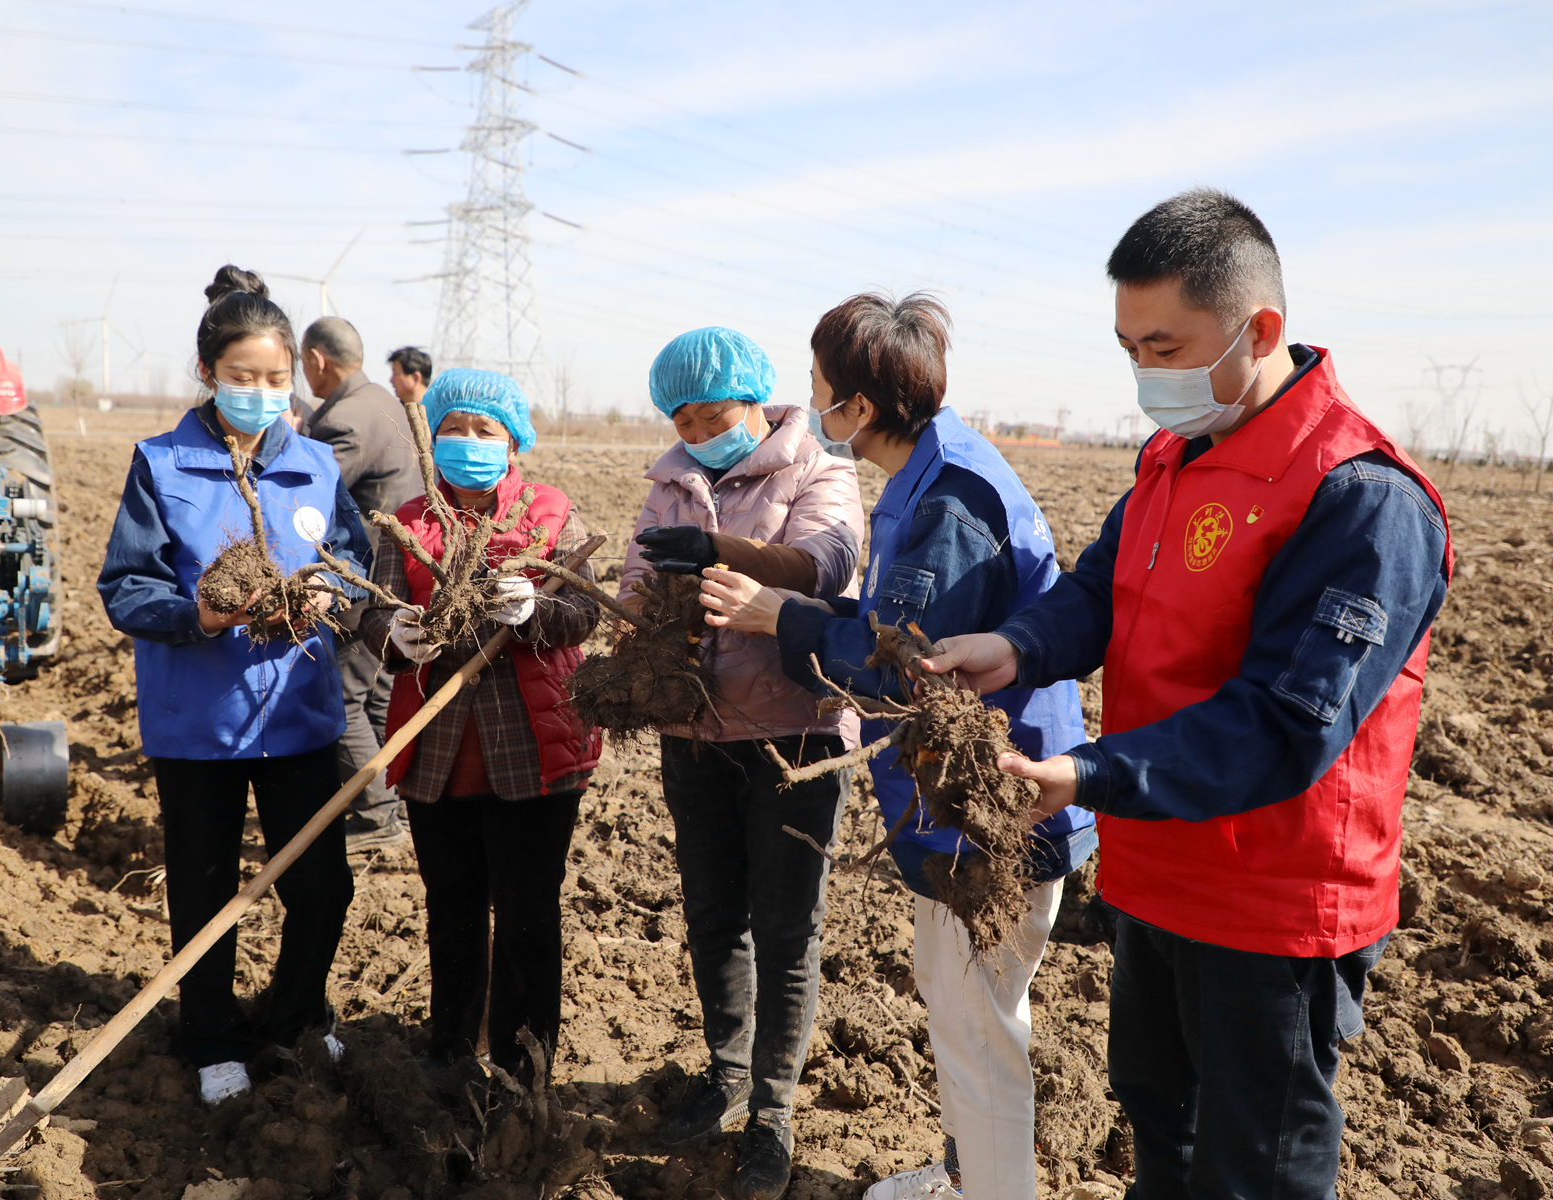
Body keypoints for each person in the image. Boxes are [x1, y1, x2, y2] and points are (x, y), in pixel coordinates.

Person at [920, 190, 1453, 1200]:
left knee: (1254, 1169)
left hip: (1271, 902)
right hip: (1154, 873)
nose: (1145, 379)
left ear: (1259, 331)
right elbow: (1097, 593)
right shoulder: (1171, 458)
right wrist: (1015, 646)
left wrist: (1083, 773)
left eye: (1166, 348)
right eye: (1129, 349)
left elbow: (1287, 724)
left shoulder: (1359, 498)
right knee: (1159, 1124)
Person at [698, 294, 1095, 1200]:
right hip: (965, 809)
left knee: (977, 1028)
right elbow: (894, 626)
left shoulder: (950, 501)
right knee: (965, 1007)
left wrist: (781, 617)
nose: (812, 408)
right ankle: (967, 1176)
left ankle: (992, 1192)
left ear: (860, 409)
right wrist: (795, 612)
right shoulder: (934, 470)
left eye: (818, 393)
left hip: (990, 812)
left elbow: (906, 669)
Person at [97, 265, 370, 1106]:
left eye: (276, 379)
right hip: (198, 721)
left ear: (296, 377)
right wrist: (201, 617)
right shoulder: (163, 464)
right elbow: (126, 586)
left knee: (323, 887)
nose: (260, 392)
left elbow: (356, 560)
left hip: (298, 713)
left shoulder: (316, 468)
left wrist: (335, 588)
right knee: (206, 886)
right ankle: (211, 1036)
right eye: (242, 377)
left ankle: (289, 1018)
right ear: (210, 374)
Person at [621, 327, 863, 1200]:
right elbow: (636, 590)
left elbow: (825, 565)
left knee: (787, 927)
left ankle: (773, 1110)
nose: (697, 428)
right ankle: (726, 1076)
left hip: (790, 739)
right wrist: (649, 621)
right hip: (693, 733)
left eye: (714, 412)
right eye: (682, 417)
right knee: (714, 914)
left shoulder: (819, 471)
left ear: (755, 400)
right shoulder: (669, 484)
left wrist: (721, 554)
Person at [359, 369, 602, 1084]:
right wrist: (393, 634)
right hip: (437, 749)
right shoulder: (408, 521)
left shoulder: (551, 514)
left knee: (528, 915)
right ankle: (450, 1051)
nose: (467, 443)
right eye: (453, 429)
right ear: (431, 437)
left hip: (535, 749)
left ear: (512, 440)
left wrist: (536, 611)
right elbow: (374, 608)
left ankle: (524, 1066)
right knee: (452, 912)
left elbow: (584, 612)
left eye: (484, 431)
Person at [300, 317, 419, 853]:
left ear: (317, 360)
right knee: (377, 699)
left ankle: (376, 817)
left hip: (361, 583)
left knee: (342, 700)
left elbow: (307, 500)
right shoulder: (386, 402)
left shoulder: (344, 419)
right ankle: (394, 804)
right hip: (400, 580)